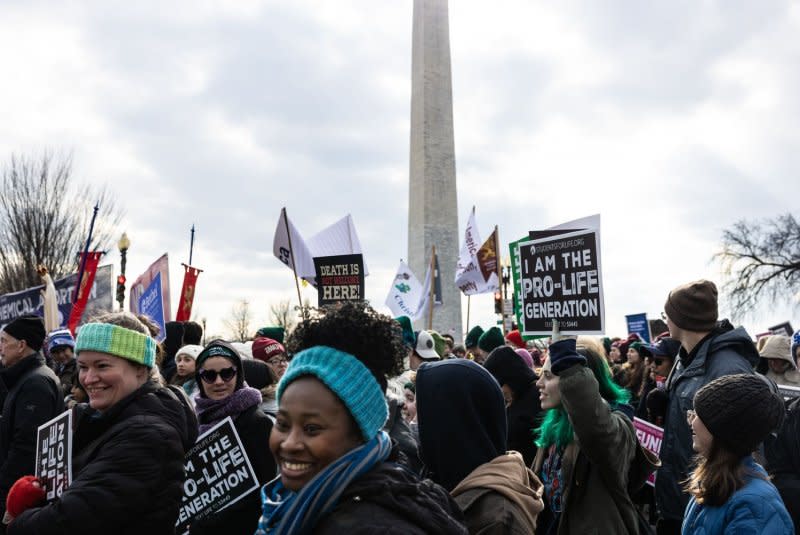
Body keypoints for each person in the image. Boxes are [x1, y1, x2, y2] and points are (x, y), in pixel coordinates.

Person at [257, 302, 466, 534]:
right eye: (283, 424)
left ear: (360, 432)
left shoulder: (375, 526)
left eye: (312, 428)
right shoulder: (292, 503)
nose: (289, 443)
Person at [5, 312, 198, 534]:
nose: (88, 378)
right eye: (84, 367)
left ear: (140, 369)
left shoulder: (147, 436)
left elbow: (68, 521)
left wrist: (18, 521)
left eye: (102, 366)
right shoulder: (103, 419)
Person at [656, 280, 759, 535]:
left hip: (709, 504)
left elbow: (744, 449)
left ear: (682, 319)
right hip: (680, 500)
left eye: (666, 314)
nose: (664, 320)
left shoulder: (728, 369)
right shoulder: (685, 358)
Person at [533, 336, 657, 534]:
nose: (539, 383)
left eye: (549, 376)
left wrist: (570, 369)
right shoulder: (553, 426)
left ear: (582, 380)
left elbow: (594, 428)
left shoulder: (615, 426)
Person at [417, 359, 544, 534]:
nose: (416, 421)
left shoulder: (499, 521)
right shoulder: (443, 477)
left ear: (450, 421)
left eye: (425, 414)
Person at [682, 374, 793, 534]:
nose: (692, 422)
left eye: (699, 416)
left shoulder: (753, 507)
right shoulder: (716, 480)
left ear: (724, 431)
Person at [190, 339, 276, 535]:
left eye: (227, 373)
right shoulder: (196, 421)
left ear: (238, 374)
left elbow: (264, 491)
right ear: (199, 379)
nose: (219, 381)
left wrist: (208, 524)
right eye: (209, 376)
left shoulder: (257, 422)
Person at [0, 315, 64, 526]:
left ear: (21, 345)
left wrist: (5, 494)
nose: (0, 347)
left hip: (21, 494)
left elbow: (26, 447)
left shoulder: (35, 383)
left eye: (3, 341)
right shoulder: (27, 378)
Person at [484, 346, 542, 465]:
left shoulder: (537, 396)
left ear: (511, 379)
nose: (500, 391)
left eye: (501, 385)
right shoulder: (517, 397)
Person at [46, 329, 77, 398]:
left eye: (63, 350)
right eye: (56, 352)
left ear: (72, 349)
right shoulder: (55, 368)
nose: (61, 355)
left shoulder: (79, 368)